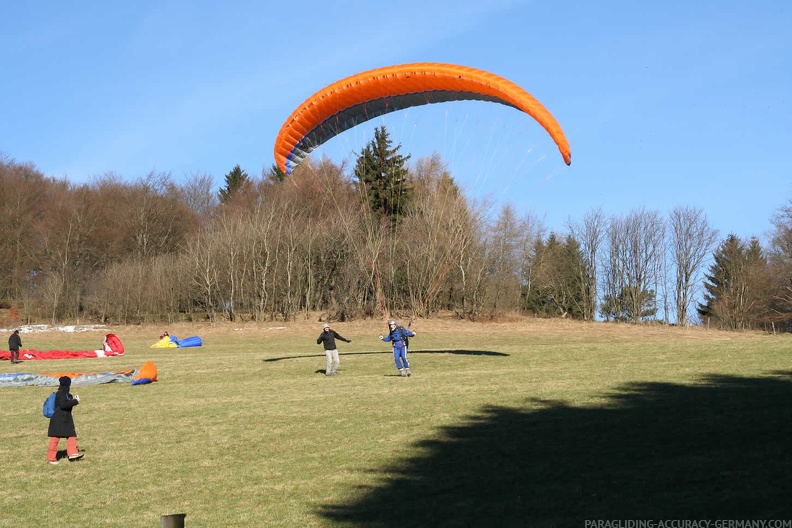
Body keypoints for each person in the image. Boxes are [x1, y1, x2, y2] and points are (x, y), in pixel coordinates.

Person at [47, 376, 84, 464]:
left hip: (63, 419)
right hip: (60, 419)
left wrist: (73, 400)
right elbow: (63, 405)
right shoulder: (62, 393)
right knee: (55, 438)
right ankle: (51, 458)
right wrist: (75, 401)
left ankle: (73, 453)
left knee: (71, 436)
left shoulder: (63, 393)